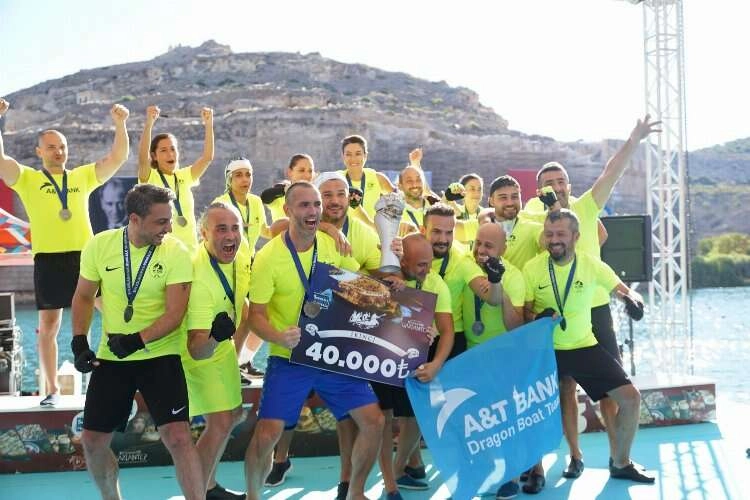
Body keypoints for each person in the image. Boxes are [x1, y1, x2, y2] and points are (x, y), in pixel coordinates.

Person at [528, 115, 660, 479]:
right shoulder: (535, 221)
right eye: (548, 184)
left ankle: (619, 459)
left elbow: (611, 172)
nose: (555, 187)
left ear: (569, 185)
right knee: (565, 389)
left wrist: (634, 139)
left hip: (596, 311)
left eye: (560, 181)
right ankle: (575, 455)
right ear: (539, 191)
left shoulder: (586, 207)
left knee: (610, 392)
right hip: (558, 319)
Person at [243, 181, 384, 500]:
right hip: (289, 359)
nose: (313, 210)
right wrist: (278, 336)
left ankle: (355, 493)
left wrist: (396, 293)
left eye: (316, 204)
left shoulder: (331, 244)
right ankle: (252, 496)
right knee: (266, 435)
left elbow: (358, 286)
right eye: (304, 205)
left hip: (331, 355)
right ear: (287, 210)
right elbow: (256, 316)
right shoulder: (268, 258)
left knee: (373, 421)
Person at [70, 184, 204, 499]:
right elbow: (84, 296)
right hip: (112, 357)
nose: (168, 228)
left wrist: (136, 340)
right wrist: (79, 342)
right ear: (135, 219)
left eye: (169, 220)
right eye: (161, 221)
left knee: (178, 437)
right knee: (92, 442)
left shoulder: (175, 252)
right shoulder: (100, 245)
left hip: (161, 355)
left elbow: (175, 314)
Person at [0, 97, 130, 406]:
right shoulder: (28, 179)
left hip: (85, 259)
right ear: (39, 152)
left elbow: (118, 157)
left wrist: (120, 123)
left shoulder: (82, 176)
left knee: (114, 316)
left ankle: (115, 375)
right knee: (49, 327)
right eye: (51, 147)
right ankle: (51, 390)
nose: (58, 151)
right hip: (48, 261)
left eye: (62, 146)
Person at [523, 210, 654, 484]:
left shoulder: (591, 264)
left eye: (560, 234)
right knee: (534, 411)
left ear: (576, 237)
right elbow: (523, 313)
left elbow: (625, 290)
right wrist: (537, 317)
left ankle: (621, 462)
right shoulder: (532, 268)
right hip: (546, 351)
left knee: (630, 398)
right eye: (549, 234)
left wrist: (634, 301)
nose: (554, 240)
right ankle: (536, 469)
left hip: (584, 346)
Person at [374, 233, 453, 499]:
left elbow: (447, 331)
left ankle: (398, 469)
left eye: (429, 263)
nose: (427, 270)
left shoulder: (436, 283)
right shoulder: (383, 273)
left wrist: (436, 364)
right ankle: (389, 483)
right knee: (382, 419)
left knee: (417, 415)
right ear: (403, 261)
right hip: (379, 360)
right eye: (421, 265)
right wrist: (388, 285)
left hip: (412, 359)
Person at [184, 202, 252, 500]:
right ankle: (197, 494)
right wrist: (217, 336)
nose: (230, 235)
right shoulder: (199, 278)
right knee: (222, 421)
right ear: (204, 233)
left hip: (223, 347)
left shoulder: (241, 251)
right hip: (199, 350)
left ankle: (208, 487)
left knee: (233, 414)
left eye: (235, 228)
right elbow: (197, 349)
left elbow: (243, 301)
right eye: (221, 229)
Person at [212, 157, 272, 380]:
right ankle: (231, 367)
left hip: (250, 268)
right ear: (229, 180)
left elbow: (265, 231)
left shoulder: (255, 202)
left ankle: (241, 362)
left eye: (248, 174)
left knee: (261, 316)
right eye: (238, 175)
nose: (245, 179)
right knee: (243, 317)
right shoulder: (220, 204)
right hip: (227, 269)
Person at [138, 104, 214, 253]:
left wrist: (209, 124)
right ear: (154, 156)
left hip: (189, 251)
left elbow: (207, 158)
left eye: (173, 149)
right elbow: (142, 158)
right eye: (163, 150)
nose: (170, 154)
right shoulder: (150, 177)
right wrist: (149, 123)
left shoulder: (184, 176)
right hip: (162, 251)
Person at [484, 175, 544, 271]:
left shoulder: (532, 228)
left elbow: (554, 240)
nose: (510, 203)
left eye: (515, 197)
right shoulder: (480, 225)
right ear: (491, 201)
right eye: (503, 197)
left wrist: (554, 204)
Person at [337, 135, 396, 218]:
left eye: (358, 154)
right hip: (345, 227)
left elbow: (400, 200)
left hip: (373, 226)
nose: (353, 158)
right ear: (343, 156)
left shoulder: (377, 178)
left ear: (365, 155)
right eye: (348, 154)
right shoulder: (336, 179)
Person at [261, 154, 316, 223]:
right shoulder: (281, 193)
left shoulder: (317, 197)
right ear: (290, 172)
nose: (307, 175)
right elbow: (264, 197)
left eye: (310, 171)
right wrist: (286, 190)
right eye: (301, 170)